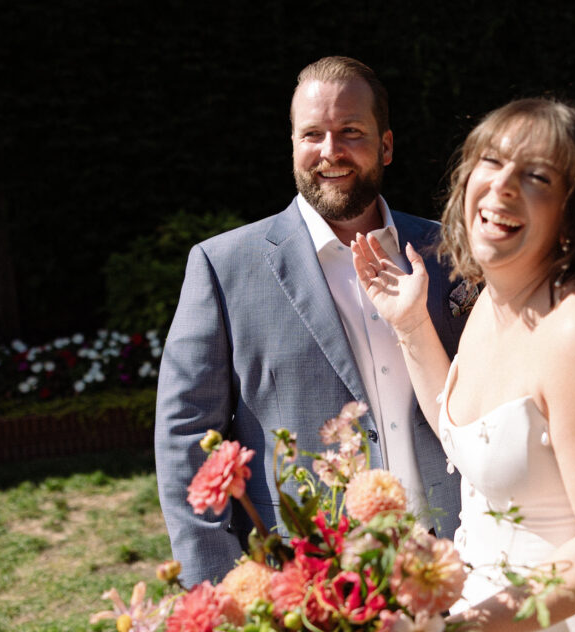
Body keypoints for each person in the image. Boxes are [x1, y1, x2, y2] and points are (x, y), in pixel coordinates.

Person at [351, 98, 575, 632]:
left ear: (574, 211)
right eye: (491, 161)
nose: (501, 185)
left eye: (536, 176)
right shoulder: (489, 305)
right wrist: (412, 325)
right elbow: (467, 441)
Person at [155, 56, 466, 588]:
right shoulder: (223, 267)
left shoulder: (449, 251)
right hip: (309, 584)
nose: (330, 151)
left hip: (454, 561)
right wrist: (217, 589)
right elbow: (185, 435)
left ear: (386, 145)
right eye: (312, 134)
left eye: (351, 132)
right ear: (293, 144)